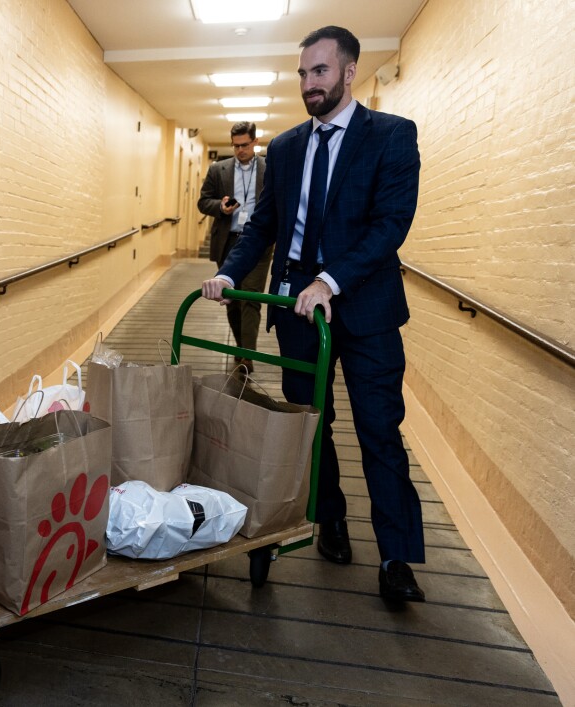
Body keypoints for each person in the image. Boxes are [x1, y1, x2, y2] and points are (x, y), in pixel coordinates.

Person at [201, 26, 426, 603]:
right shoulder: (286, 147)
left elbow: (390, 226)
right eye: (303, 74)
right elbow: (266, 227)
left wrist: (333, 279)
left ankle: (397, 555)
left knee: (379, 430)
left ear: (349, 73)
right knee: (310, 421)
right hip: (298, 308)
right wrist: (230, 272)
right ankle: (330, 518)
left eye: (320, 72)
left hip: (366, 306)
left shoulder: (392, 137)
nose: (309, 84)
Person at [197, 122, 272, 372]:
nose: (240, 150)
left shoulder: (268, 167)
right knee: (231, 297)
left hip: (260, 241)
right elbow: (203, 202)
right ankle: (241, 347)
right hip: (229, 241)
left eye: (245, 145)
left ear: (255, 142)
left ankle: (246, 357)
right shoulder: (218, 169)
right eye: (236, 145)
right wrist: (220, 206)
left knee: (251, 297)